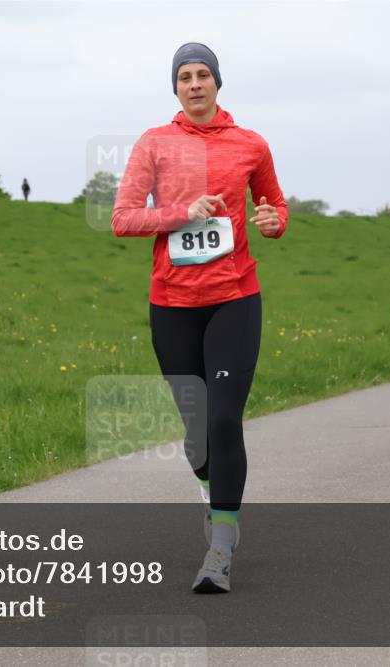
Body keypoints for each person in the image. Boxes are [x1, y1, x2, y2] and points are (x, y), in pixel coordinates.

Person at [112, 43, 288, 594]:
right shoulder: (154, 143)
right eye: (185, 76)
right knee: (196, 435)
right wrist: (180, 213)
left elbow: (276, 206)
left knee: (223, 419)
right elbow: (123, 218)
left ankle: (221, 546)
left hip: (235, 296)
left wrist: (272, 221)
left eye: (203, 74)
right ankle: (212, 491)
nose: (194, 84)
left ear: (217, 82)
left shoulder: (251, 144)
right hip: (172, 303)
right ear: (175, 87)